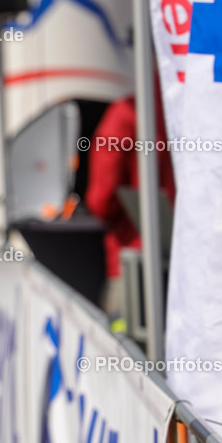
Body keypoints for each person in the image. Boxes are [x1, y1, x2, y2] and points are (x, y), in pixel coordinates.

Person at [84, 94, 175, 327]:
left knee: (125, 354)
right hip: (187, 264)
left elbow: (101, 200)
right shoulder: (193, 106)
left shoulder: (127, 112)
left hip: (134, 266)